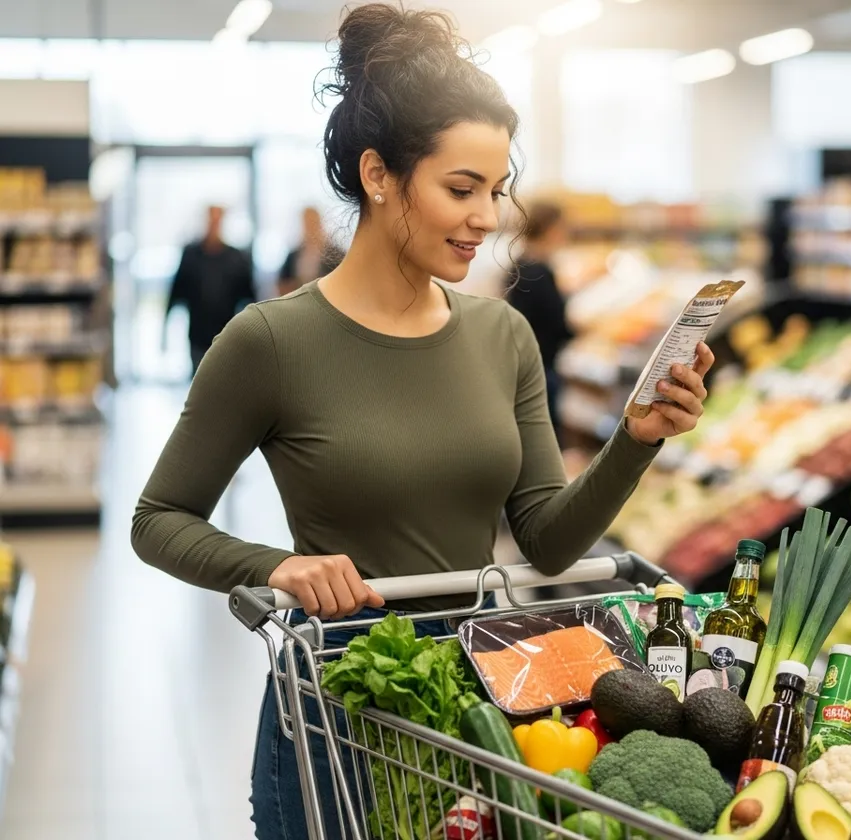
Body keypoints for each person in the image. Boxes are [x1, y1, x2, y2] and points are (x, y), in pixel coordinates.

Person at [130, 6, 713, 840]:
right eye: (460, 189)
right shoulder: (272, 340)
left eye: (497, 190)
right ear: (379, 175)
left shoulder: (502, 334)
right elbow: (158, 522)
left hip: (481, 697)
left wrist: (637, 440)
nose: (487, 217)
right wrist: (280, 567)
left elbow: (544, 540)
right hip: (335, 701)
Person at [506, 200, 574, 443]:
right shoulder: (539, 271)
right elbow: (557, 324)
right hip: (542, 367)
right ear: (551, 228)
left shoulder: (518, 264)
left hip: (523, 366)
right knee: (547, 439)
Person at [165, 205, 257, 375]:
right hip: (198, 333)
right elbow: (176, 292)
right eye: (210, 220)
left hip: (226, 333)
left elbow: (251, 298)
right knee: (199, 380)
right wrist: (165, 329)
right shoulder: (191, 255)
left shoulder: (235, 258)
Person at [277, 206, 344, 297]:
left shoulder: (335, 254)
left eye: (313, 222)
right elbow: (283, 282)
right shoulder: (293, 255)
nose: (310, 227)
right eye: (306, 222)